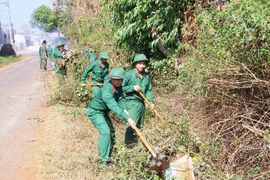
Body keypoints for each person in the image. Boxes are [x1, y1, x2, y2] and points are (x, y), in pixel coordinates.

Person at [87, 67, 136, 165]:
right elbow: (114, 106)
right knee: (105, 132)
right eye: (116, 79)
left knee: (112, 132)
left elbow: (121, 98)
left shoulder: (119, 87)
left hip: (104, 112)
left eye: (120, 80)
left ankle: (111, 152)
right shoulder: (107, 91)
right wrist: (128, 119)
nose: (119, 82)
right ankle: (102, 160)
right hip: (95, 112)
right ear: (111, 79)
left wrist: (125, 108)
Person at [122, 54, 155, 145]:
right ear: (135, 64)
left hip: (141, 104)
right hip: (132, 103)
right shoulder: (129, 75)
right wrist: (132, 87)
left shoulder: (146, 76)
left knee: (140, 127)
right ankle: (128, 146)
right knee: (132, 126)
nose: (142, 66)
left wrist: (150, 102)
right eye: (140, 63)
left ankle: (137, 147)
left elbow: (148, 90)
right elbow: (121, 88)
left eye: (144, 64)